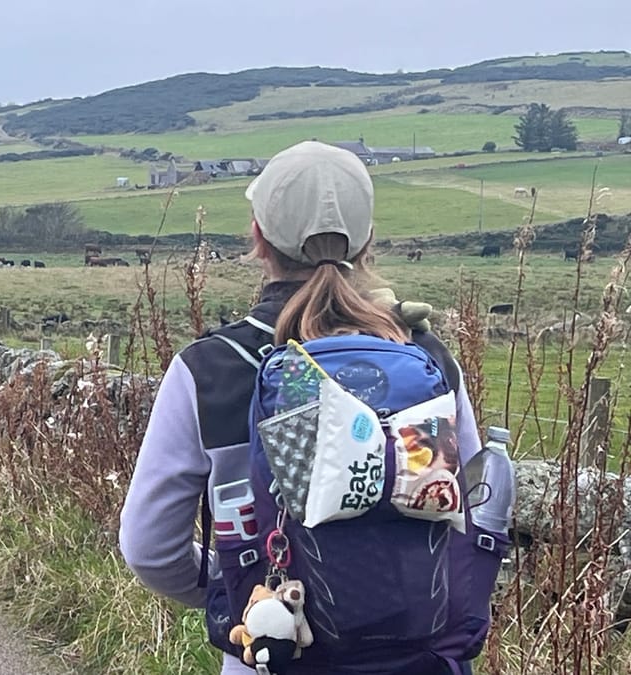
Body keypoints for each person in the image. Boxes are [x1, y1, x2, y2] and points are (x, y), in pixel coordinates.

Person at [118, 140, 486, 675]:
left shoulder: (210, 369)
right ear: (367, 242)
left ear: (258, 237)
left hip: (272, 654)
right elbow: (473, 510)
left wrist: (238, 589)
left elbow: (148, 546)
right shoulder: (424, 358)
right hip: (419, 656)